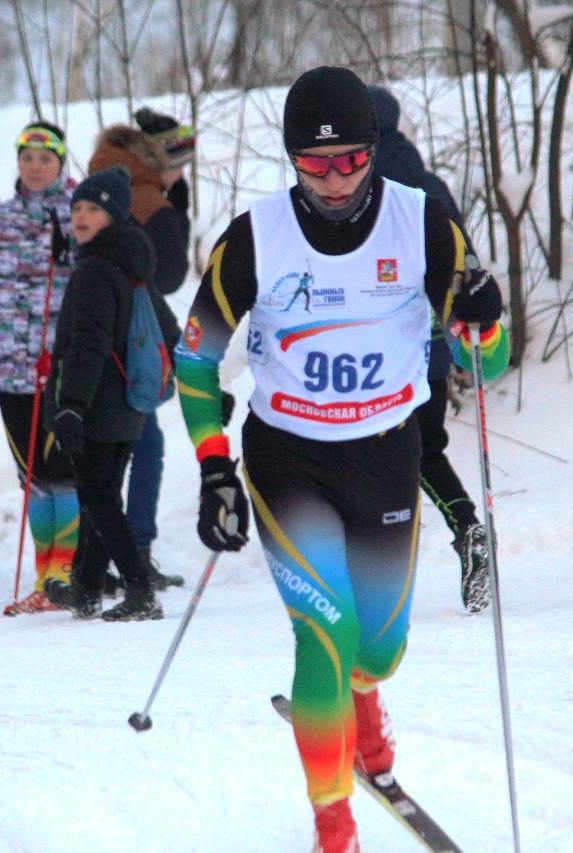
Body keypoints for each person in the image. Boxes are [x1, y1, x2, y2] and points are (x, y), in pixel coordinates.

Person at [172, 67, 504, 852]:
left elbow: (486, 364)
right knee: (322, 631)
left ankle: (365, 707)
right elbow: (194, 362)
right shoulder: (256, 235)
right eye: (313, 163)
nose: (333, 178)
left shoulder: (421, 224)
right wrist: (215, 465)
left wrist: (486, 323)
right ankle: (335, 830)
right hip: (290, 460)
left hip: (388, 453)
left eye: (351, 159)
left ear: (374, 150)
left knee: (379, 647)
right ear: (292, 160)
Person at [367, 83, 507, 613]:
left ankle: (371, 571)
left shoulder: (359, 189)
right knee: (424, 449)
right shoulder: (429, 185)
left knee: (365, 454)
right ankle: (468, 527)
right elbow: (464, 261)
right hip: (430, 344)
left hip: (374, 350)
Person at [42, 166, 181, 622]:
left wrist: (71, 407)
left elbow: (87, 345)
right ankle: (85, 585)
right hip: (129, 404)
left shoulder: (95, 272)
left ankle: (140, 590)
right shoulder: (134, 265)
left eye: (94, 209)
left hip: (96, 405)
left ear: (115, 216)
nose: (81, 216)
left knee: (99, 497)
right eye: (77, 207)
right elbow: (168, 328)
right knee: (101, 495)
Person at [0, 122, 79, 614]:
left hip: (61, 367)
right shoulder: (3, 219)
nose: (35, 167)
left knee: (65, 473)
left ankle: (67, 574)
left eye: (45, 158)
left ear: (60, 162)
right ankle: (44, 576)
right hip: (12, 369)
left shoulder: (78, 214)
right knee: (33, 475)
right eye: (27, 157)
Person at [86, 120, 190, 592]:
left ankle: (95, 568)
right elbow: (164, 280)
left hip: (96, 345)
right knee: (141, 448)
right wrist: (177, 212)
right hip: (134, 348)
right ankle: (133, 559)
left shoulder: (88, 190)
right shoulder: (149, 199)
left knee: (108, 459)